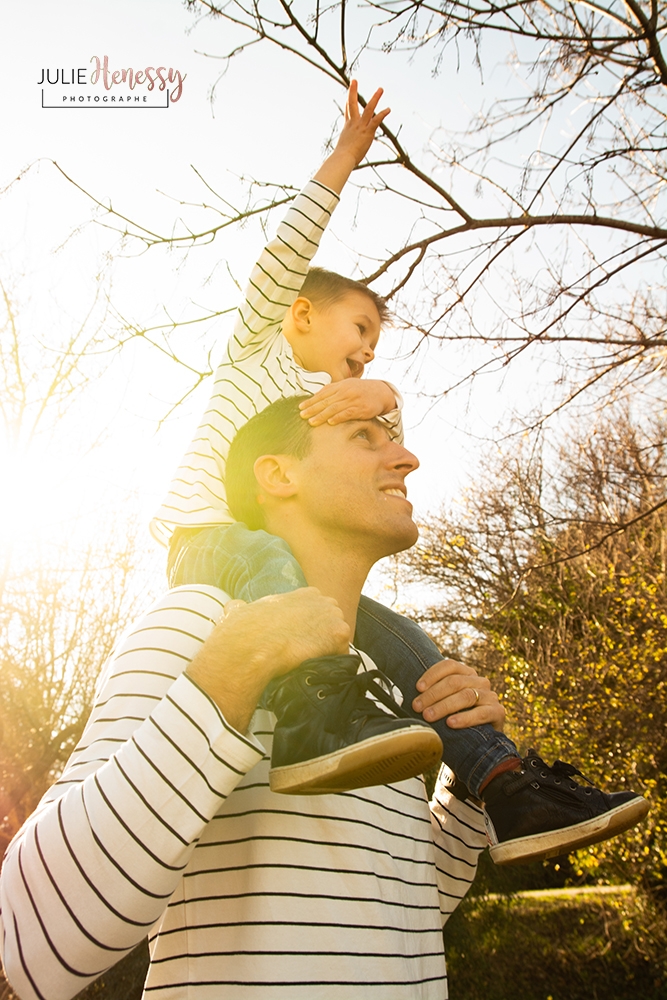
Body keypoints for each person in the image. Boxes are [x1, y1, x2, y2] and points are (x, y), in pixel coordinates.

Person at [152, 81, 648, 863]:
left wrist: (384, 397)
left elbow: (381, 458)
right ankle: (314, 721)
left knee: (414, 650)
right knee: (271, 558)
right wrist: (345, 157)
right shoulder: (255, 350)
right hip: (210, 545)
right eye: (360, 327)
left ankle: (512, 789)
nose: (368, 348)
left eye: (377, 342)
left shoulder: (327, 402)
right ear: (301, 317)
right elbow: (283, 259)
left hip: (296, 581)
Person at [0, 403, 506, 999]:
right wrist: (224, 679)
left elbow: (397, 923)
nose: (407, 457)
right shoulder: (198, 625)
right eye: (364, 436)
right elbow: (33, 943)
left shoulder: (382, 685)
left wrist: (465, 785)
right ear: (277, 475)